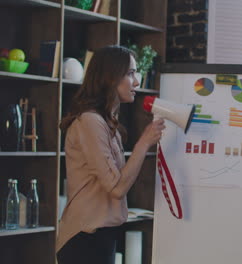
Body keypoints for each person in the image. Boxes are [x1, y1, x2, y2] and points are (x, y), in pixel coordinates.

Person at [56, 45, 165, 264]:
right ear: (110, 78)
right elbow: (117, 188)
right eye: (130, 73)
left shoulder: (106, 123)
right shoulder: (90, 121)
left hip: (100, 235)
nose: (137, 81)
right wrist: (144, 143)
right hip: (85, 238)